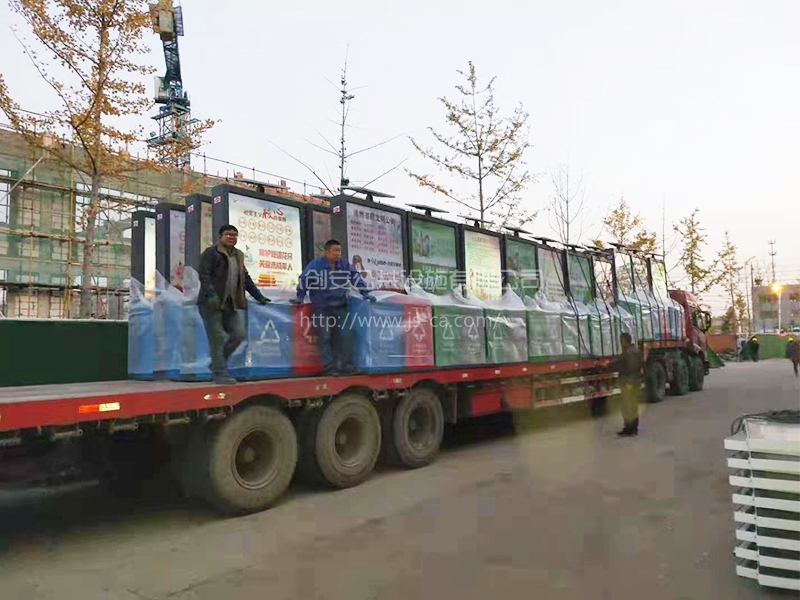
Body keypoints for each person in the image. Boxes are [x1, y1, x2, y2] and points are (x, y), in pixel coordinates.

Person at [198, 224, 270, 384]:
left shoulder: (238, 255)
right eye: (228, 234)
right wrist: (211, 295)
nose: (231, 237)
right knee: (217, 338)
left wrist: (259, 296)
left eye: (234, 235)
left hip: (230, 304)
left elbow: (245, 278)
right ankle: (220, 374)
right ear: (220, 237)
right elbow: (204, 275)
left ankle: (216, 365)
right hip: (211, 304)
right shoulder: (211, 253)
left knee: (238, 334)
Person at [294, 239, 376, 376]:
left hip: (340, 306)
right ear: (326, 252)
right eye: (335, 250)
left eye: (339, 251)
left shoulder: (344, 265)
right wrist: (300, 296)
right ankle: (329, 368)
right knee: (324, 337)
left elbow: (355, 277)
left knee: (346, 336)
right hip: (321, 307)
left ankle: (345, 365)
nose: (338, 253)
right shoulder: (316, 265)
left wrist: (365, 292)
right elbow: (304, 280)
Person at [614, 332, 643, 437]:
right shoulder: (636, 350)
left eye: (621, 340)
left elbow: (622, 366)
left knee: (627, 406)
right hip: (635, 381)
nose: (620, 342)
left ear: (624, 341)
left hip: (628, 383)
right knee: (632, 405)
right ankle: (633, 428)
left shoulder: (627, 353)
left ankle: (629, 429)